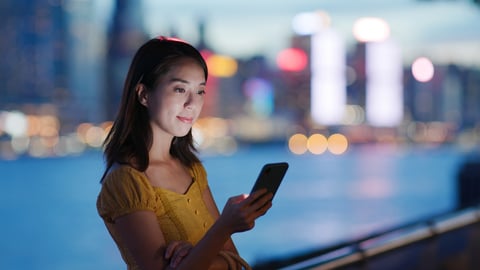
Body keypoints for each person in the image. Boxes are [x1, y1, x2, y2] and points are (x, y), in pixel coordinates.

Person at [96, 36, 273, 270]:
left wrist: (195, 257)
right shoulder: (127, 181)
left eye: (200, 91)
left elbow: (236, 264)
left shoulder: (192, 169)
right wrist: (224, 227)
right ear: (143, 94)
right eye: (180, 89)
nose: (192, 103)